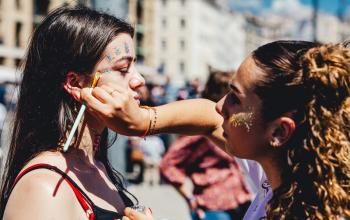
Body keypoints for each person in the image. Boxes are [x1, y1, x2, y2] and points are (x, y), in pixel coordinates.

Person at [81, 41, 350, 219]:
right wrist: (141, 120)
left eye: (235, 98)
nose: (220, 106)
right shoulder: (293, 173)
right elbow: (208, 116)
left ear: (279, 132)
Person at [0, 5, 154, 219]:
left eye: (134, 66)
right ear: (75, 83)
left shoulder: (97, 165)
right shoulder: (45, 186)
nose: (139, 80)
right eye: (122, 69)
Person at [159, 71, 251, 220]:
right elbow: (167, 165)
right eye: (231, 93)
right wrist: (189, 198)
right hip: (214, 208)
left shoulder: (227, 123)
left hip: (240, 201)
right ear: (218, 92)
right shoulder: (201, 128)